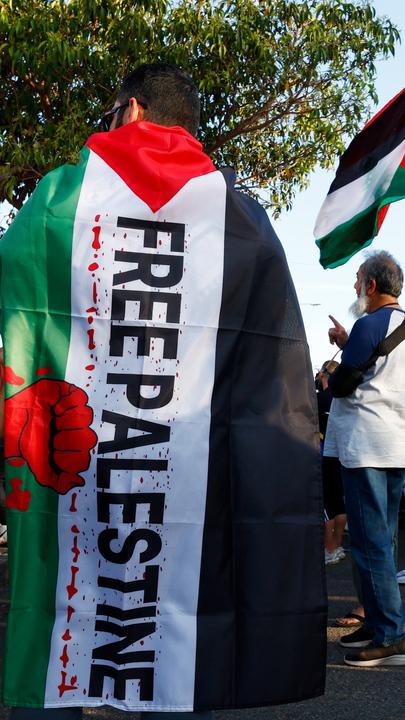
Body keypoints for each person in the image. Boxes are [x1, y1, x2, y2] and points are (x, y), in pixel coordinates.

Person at [0, 63, 325, 716]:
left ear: (132, 111)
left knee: (83, 580)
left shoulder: (63, 197)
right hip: (188, 467)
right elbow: (268, 361)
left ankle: (88, 690)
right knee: (177, 594)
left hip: (88, 452)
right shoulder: (242, 218)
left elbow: (24, 303)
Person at [325, 250, 405, 667]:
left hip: (366, 446)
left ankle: (391, 634)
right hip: (397, 444)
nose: (356, 286)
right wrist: (348, 342)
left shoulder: (368, 323)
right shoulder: (395, 325)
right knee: (384, 540)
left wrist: (347, 345)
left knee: (371, 543)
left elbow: (340, 385)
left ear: (372, 286)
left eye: (358, 279)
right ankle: (378, 625)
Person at [315, 360, 346, 565]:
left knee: (327, 507)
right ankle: (337, 546)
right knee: (339, 505)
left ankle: (329, 549)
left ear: (326, 374)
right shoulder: (342, 399)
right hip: (341, 457)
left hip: (325, 456)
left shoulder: (320, 399)